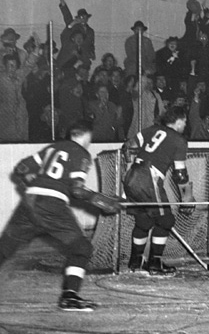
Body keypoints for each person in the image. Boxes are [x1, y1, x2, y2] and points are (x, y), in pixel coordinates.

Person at [0, 119, 121, 311]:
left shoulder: (53, 148)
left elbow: (22, 168)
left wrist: (35, 185)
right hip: (52, 205)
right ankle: (70, 297)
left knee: (4, 248)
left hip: (29, 203)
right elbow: (78, 190)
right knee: (81, 248)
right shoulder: (81, 153)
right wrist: (101, 201)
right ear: (84, 135)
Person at [122, 105, 195, 276]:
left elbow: (128, 146)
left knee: (144, 221)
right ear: (177, 122)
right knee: (166, 220)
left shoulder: (151, 130)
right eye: (184, 121)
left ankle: (136, 260)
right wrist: (187, 197)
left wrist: (128, 168)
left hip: (132, 175)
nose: (185, 125)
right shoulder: (179, 140)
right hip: (149, 178)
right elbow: (180, 174)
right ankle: (155, 263)